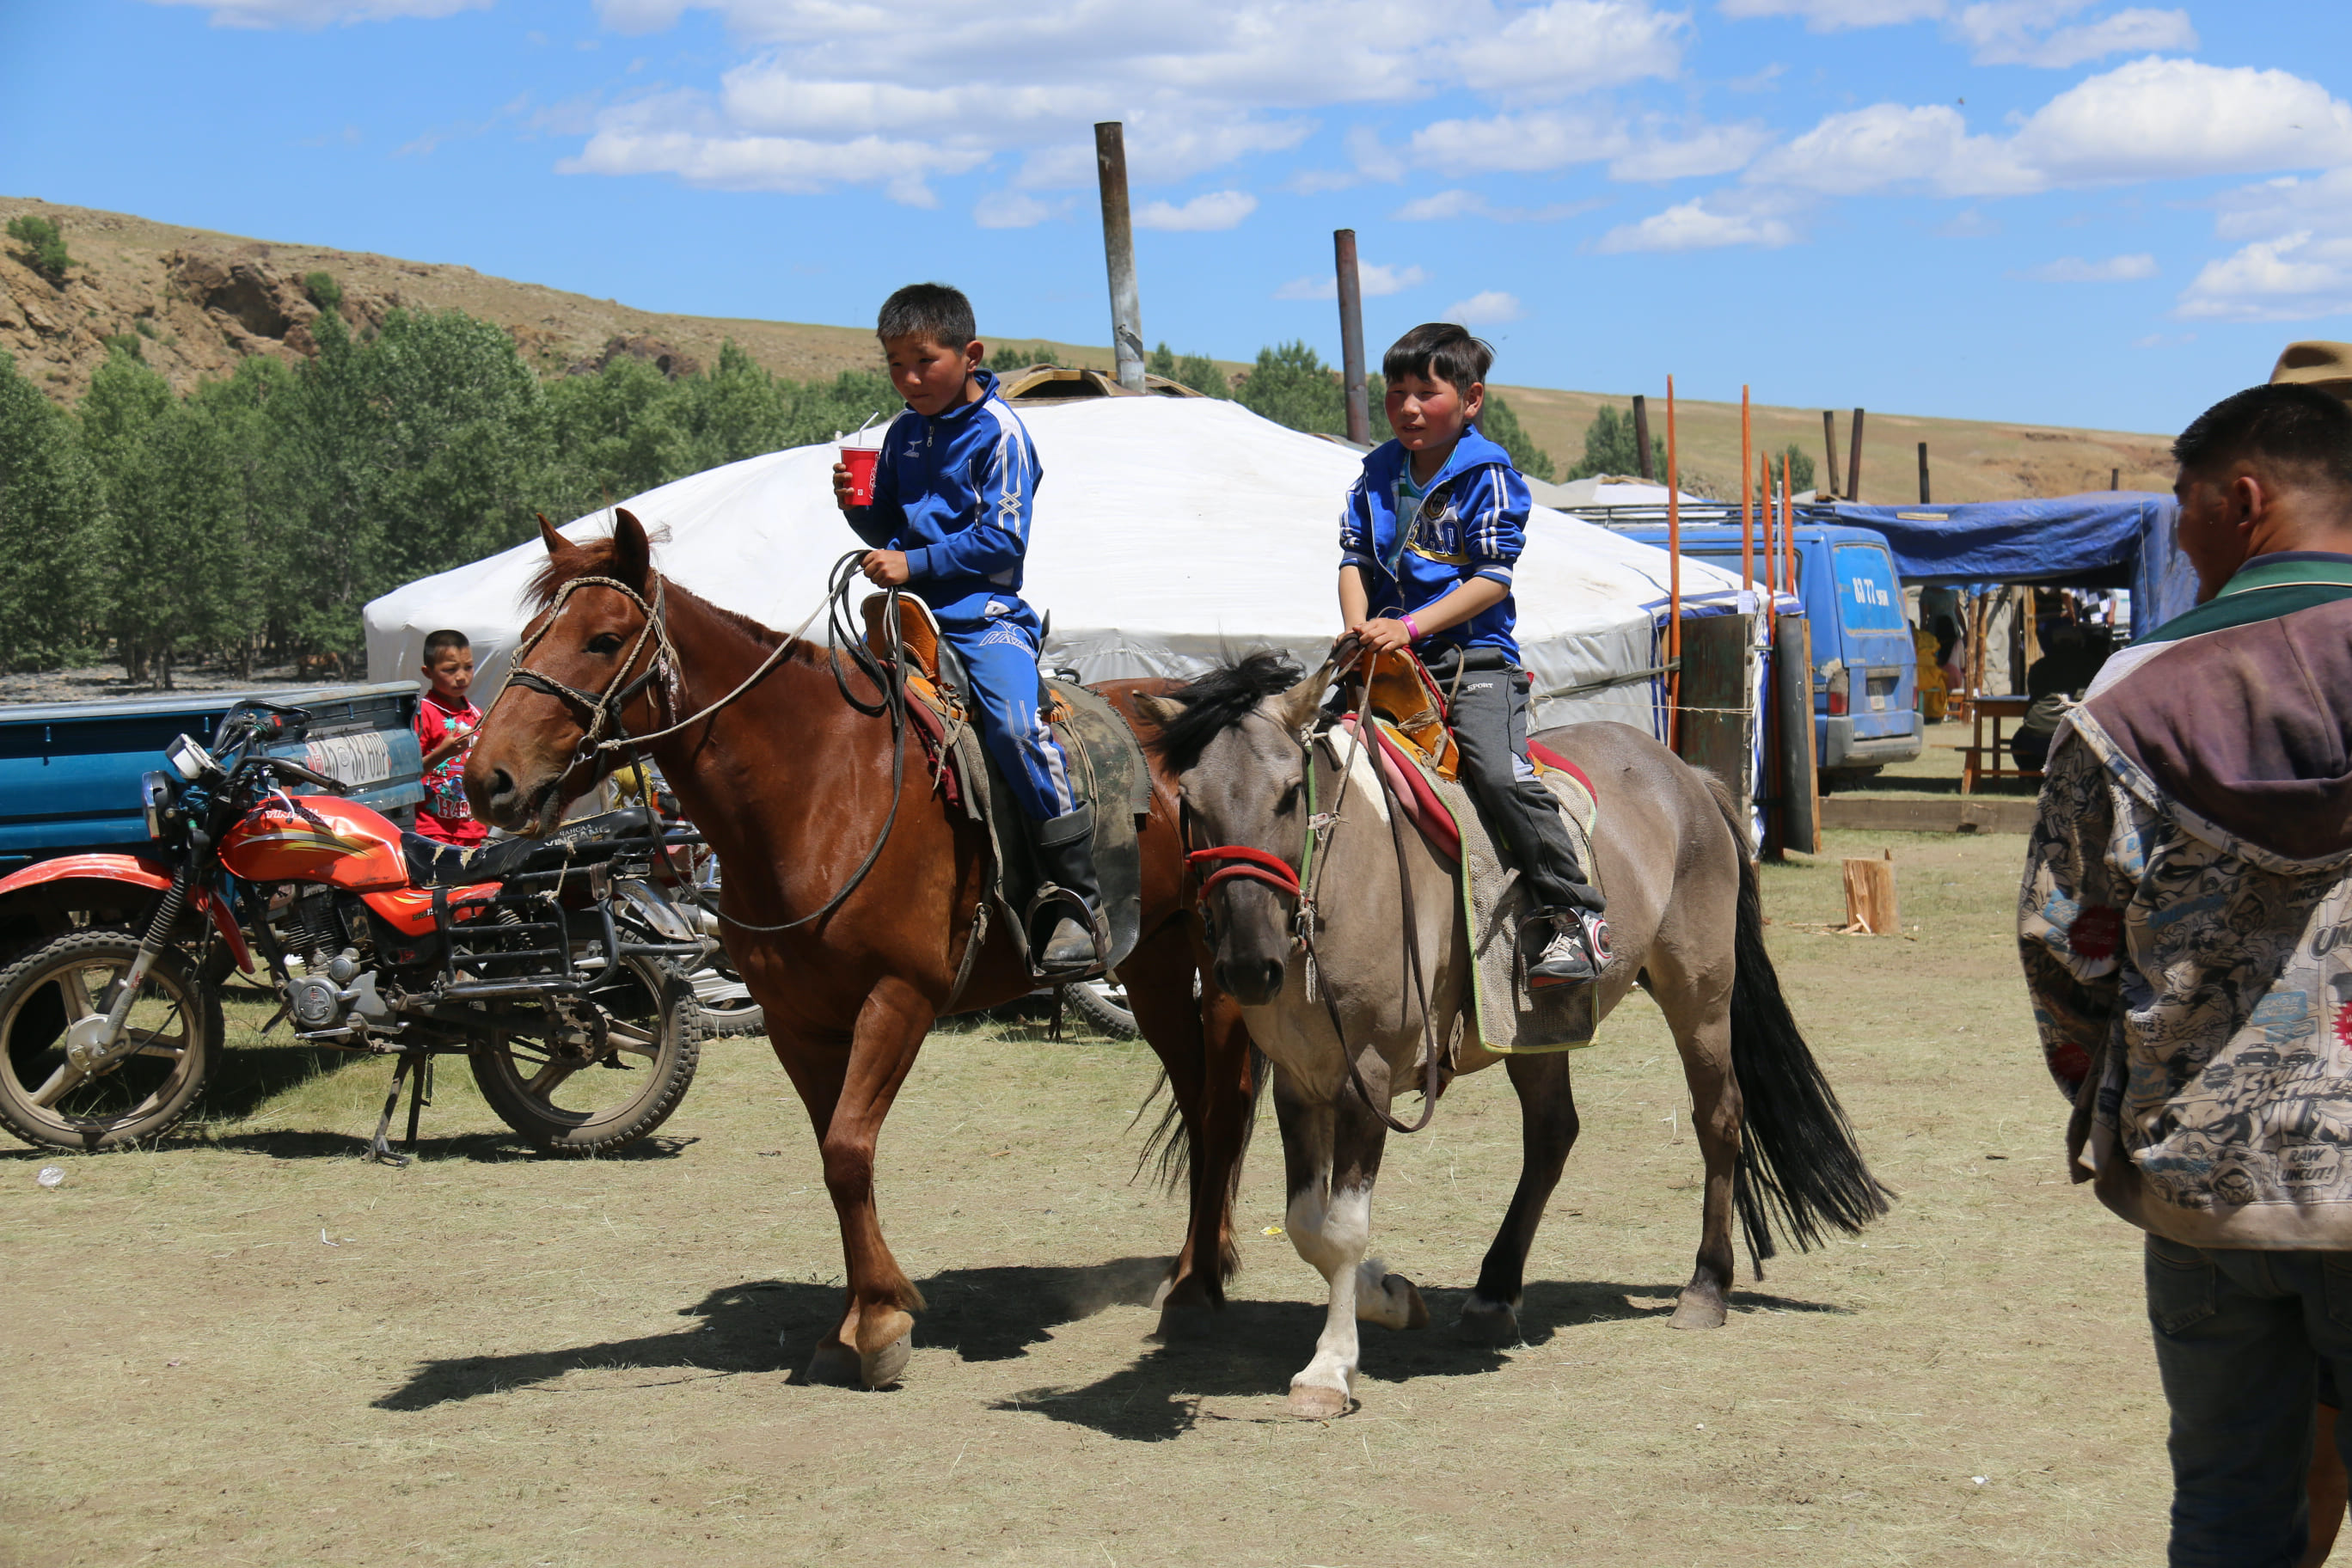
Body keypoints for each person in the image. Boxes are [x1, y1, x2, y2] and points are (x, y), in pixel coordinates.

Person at [2018, 380, 2352, 1567]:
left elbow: (2067, 949)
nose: (2182, 531)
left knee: (2228, 1509)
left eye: (2185, 504)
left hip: (2205, 1180)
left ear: (2244, 500)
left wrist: (2106, 1100)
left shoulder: (2128, 699)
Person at [830, 282, 1100, 972]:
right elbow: (886, 524)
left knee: (1014, 726)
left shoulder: (1001, 433)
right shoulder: (902, 433)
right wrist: (856, 511)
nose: (909, 378)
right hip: (905, 613)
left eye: (923, 361)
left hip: (983, 616)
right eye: (895, 364)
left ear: (969, 353)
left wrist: (911, 561)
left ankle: (1076, 895)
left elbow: (1003, 541)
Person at [1337, 322, 1607, 989]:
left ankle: (1574, 914)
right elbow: (1351, 560)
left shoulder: (1489, 475)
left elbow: (1492, 578)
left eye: (1425, 394)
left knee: (1498, 775)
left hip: (1472, 664)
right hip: (1386, 667)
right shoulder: (1375, 472)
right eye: (1396, 392)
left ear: (1471, 398)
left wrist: (1409, 629)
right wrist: (1357, 633)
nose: (1407, 408)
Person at [413, 628, 487, 847]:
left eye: (468, 667)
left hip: (473, 829)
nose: (462, 676)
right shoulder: (423, 713)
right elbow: (407, 777)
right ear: (428, 672)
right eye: (450, 670)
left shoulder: (477, 715)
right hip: (433, 830)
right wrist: (443, 753)